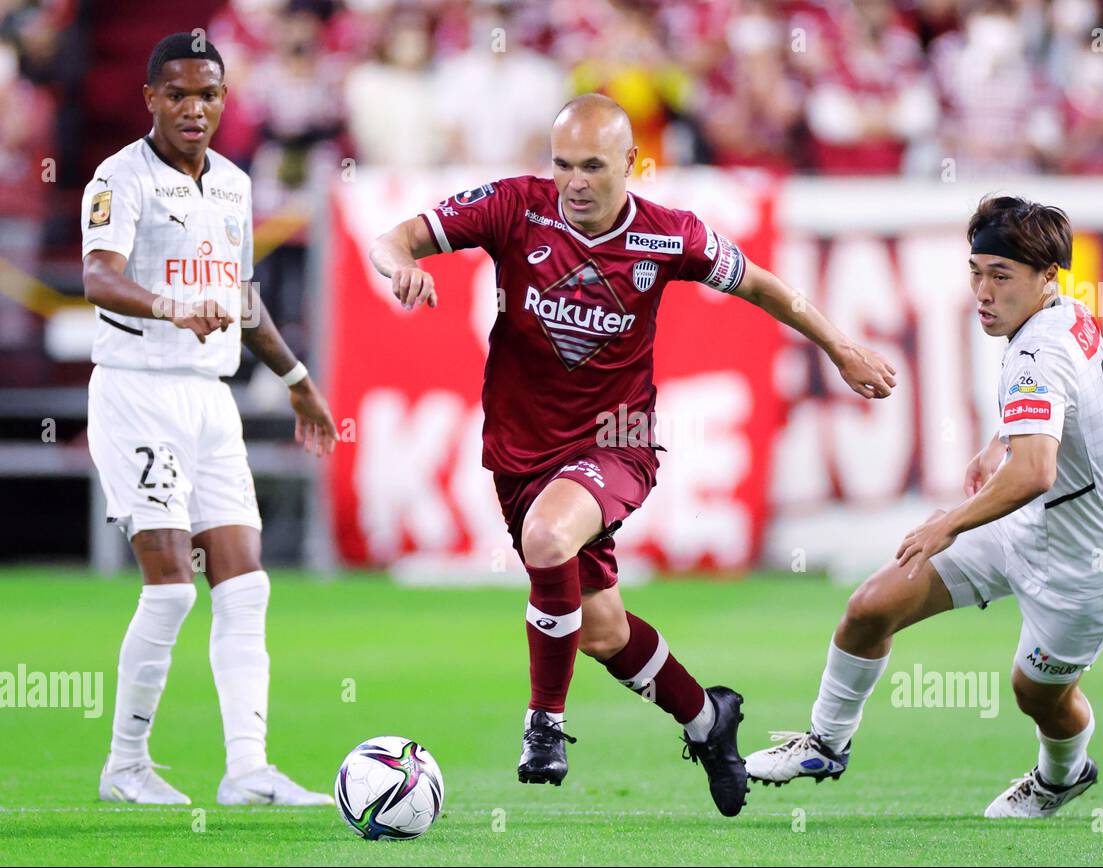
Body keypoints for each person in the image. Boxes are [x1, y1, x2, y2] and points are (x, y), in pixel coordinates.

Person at [368, 93, 896, 817]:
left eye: (593, 166)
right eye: (562, 165)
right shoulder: (514, 207)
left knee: (549, 534)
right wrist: (402, 266)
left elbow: (765, 286)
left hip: (617, 442)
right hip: (519, 452)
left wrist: (840, 348)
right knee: (603, 630)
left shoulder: (668, 235)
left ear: (631, 163)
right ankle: (708, 721)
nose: (575, 181)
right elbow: (392, 237)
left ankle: (544, 725)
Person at [746, 195, 1103, 819]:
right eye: (976, 271)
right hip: (1023, 530)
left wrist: (948, 522)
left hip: (1084, 567)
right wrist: (999, 442)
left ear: (1045, 277)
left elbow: (1037, 471)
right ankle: (825, 742)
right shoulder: (1065, 316)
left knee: (1035, 696)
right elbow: (1060, 416)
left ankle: (1062, 774)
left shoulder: (1040, 351)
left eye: (1000, 276)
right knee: (869, 608)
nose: (982, 292)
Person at [82, 33, 338, 806]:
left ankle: (246, 770)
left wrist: (295, 378)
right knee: (170, 592)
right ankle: (126, 765)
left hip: (210, 399)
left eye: (210, 94)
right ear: (151, 99)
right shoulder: (117, 177)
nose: (195, 109)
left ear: (226, 100)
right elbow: (98, 275)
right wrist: (168, 306)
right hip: (138, 389)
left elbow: (243, 296)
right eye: (179, 94)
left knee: (246, 587)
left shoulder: (232, 182)